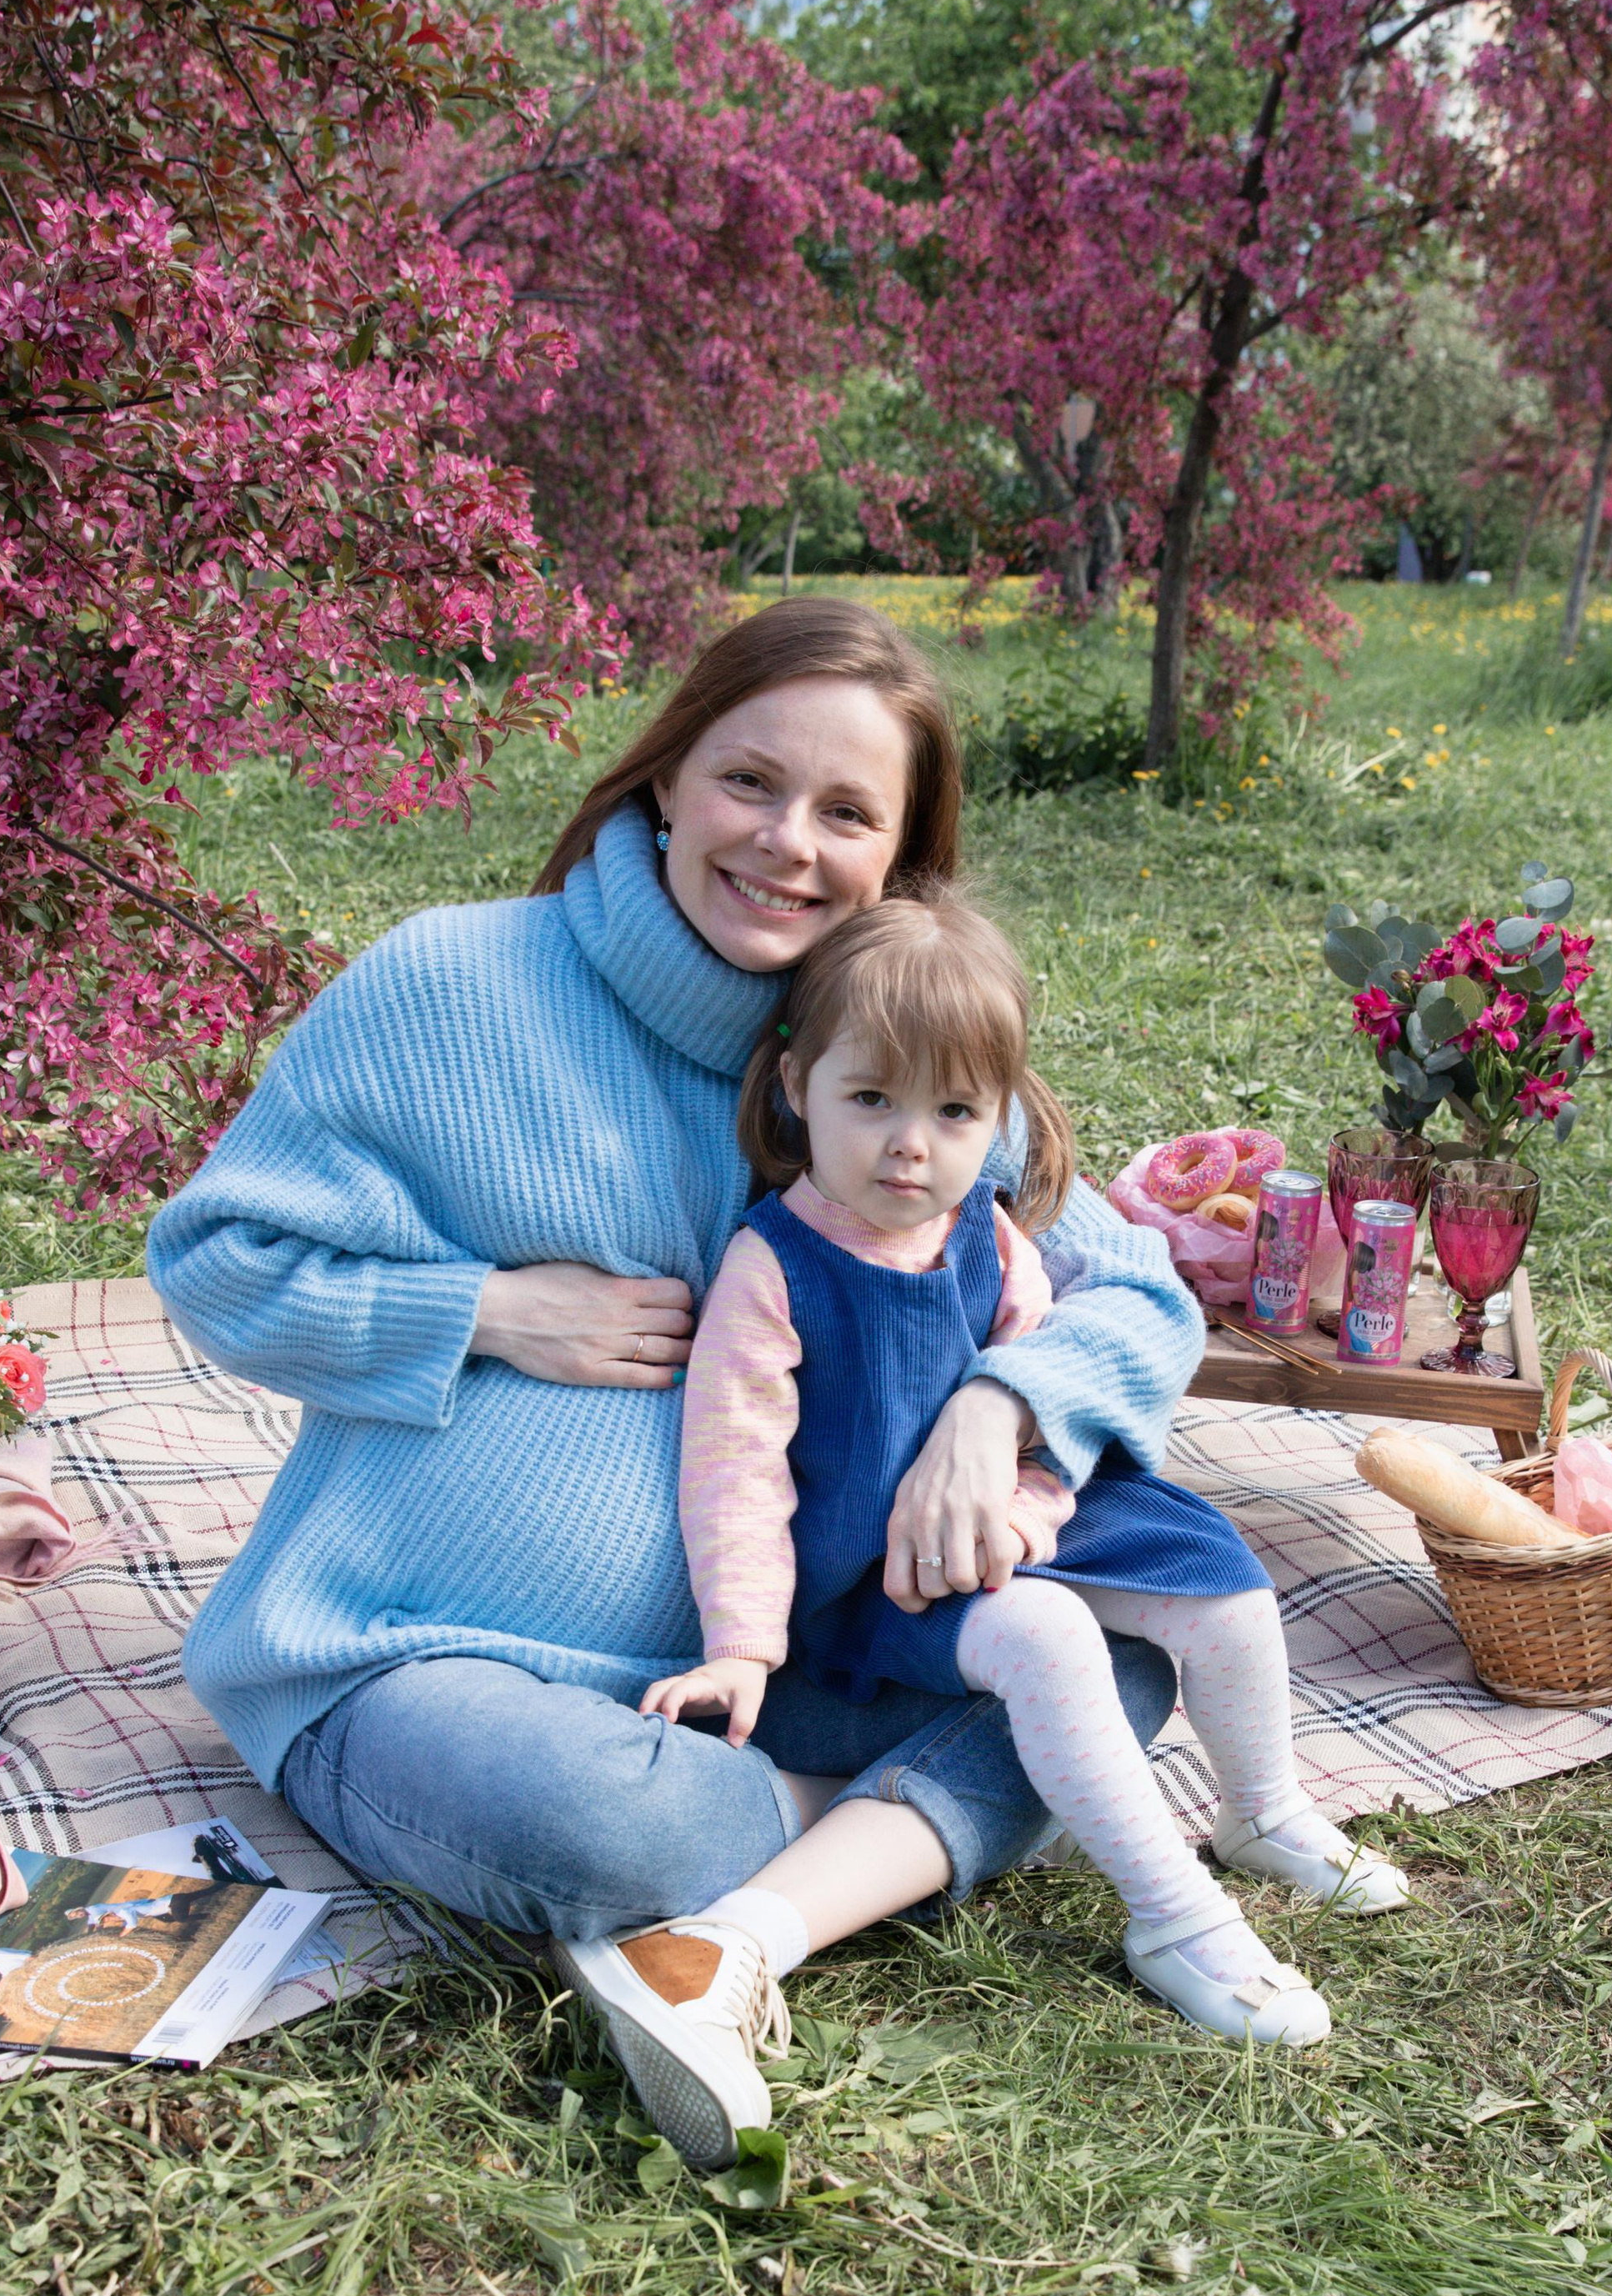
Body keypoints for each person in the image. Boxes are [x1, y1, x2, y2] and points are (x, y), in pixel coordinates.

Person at [146, 599, 1203, 2169]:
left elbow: (1144, 1293)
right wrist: (489, 1311)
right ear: (663, 779)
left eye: (847, 812)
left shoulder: (889, 1047)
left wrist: (1008, 1406)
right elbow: (220, 1261)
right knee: (611, 1824)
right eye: (748, 784)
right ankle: (844, 1841)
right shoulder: (454, 988)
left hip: (770, 1663)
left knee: (1111, 1666)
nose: (787, 844)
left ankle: (734, 1931)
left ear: (900, 857)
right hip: (419, 1662)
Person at [565, 889, 1406, 2110]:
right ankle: (1172, 1912)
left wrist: (1030, 1501)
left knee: (1220, 1579)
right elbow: (734, 1474)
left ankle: (1263, 1811)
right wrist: (743, 1648)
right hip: (871, 1575)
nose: (911, 1145)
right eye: (872, 1102)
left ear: (998, 1117)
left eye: (953, 1112)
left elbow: (1041, 1385)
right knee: (1049, 1636)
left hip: (1010, 1521)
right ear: (797, 1085)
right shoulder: (775, 1266)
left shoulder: (989, 1232)